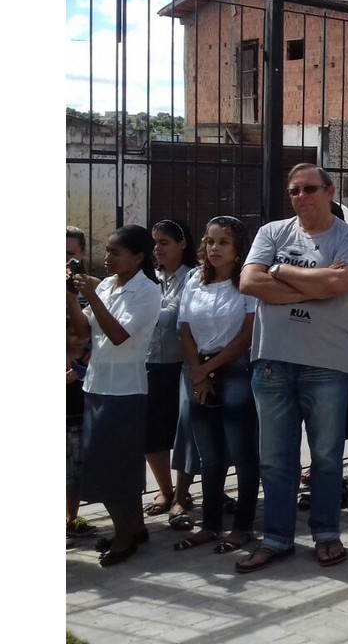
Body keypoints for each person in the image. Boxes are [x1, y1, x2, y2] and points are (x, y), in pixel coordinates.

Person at [236, 163, 348, 573]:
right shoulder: (272, 233)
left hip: (327, 364)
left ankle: (326, 533)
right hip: (273, 361)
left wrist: (279, 272)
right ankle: (277, 538)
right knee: (275, 458)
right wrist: (314, 284)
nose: (301, 197)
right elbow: (247, 283)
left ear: (329, 192)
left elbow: (337, 285)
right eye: (294, 191)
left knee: (327, 458)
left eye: (310, 188)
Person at [66, 225, 162, 567]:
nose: (106, 259)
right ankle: (133, 528)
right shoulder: (107, 285)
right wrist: (70, 295)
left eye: (115, 253)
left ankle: (125, 536)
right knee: (112, 463)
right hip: (97, 384)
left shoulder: (148, 292)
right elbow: (84, 328)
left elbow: (119, 334)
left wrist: (91, 295)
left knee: (114, 466)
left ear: (138, 258)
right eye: (106, 251)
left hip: (124, 390)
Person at [173, 216, 260, 555]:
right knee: (209, 456)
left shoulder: (246, 283)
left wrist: (209, 369)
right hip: (198, 370)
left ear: (238, 250)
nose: (214, 248)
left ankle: (242, 527)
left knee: (242, 453)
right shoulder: (195, 279)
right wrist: (197, 371)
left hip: (235, 369)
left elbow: (248, 334)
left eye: (223, 242)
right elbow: (184, 328)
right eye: (210, 241)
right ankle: (210, 525)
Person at [145, 219, 200, 532]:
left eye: (164, 242)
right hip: (151, 362)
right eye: (155, 243)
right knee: (153, 432)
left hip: (181, 364)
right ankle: (165, 491)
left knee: (183, 432)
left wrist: (138, 309)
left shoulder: (192, 276)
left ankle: (182, 494)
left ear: (182, 243)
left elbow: (171, 318)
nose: (158, 249)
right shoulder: (150, 277)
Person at [66, 226, 98, 541]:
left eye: (70, 255)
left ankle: (71, 520)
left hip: (77, 393)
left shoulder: (91, 290)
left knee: (73, 464)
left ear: (82, 255)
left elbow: (89, 337)